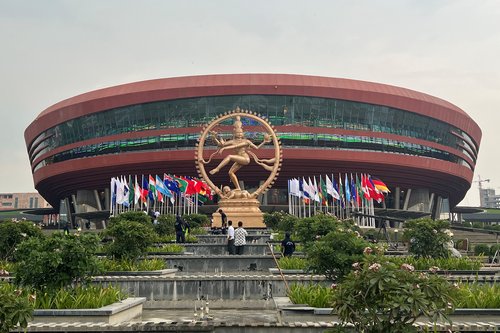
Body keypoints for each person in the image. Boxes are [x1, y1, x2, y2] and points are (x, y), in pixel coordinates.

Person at [208, 115, 272, 190]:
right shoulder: (232, 141)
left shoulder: (246, 141)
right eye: (237, 133)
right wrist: (214, 138)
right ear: (234, 133)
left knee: (229, 157)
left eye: (241, 133)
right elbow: (221, 144)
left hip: (245, 158)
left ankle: (217, 169)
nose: (239, 134)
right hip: (239, 159)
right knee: (230, 173)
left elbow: (256, 148)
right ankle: (238, 188)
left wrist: (264, 141)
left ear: (243, 134)